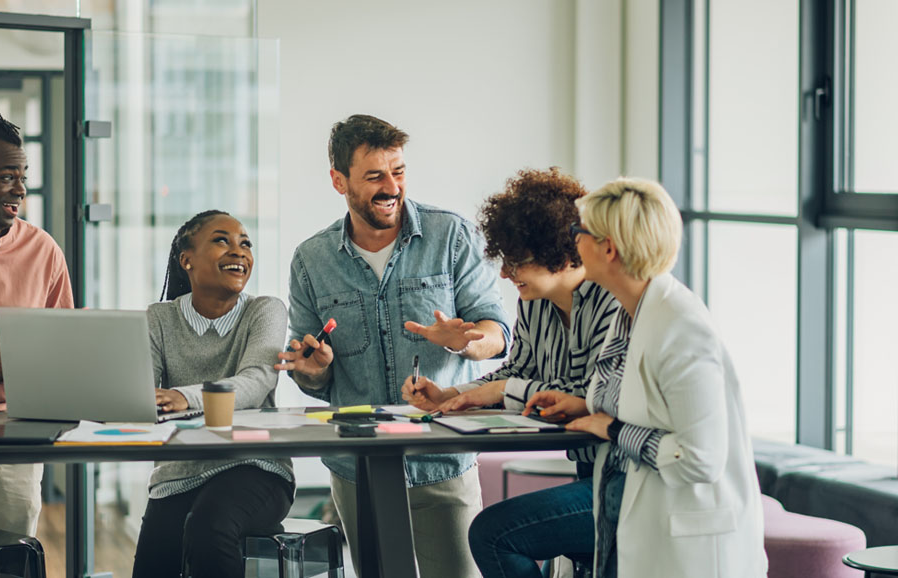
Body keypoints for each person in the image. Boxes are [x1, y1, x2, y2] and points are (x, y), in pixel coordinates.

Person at [275, 114, 509, 578]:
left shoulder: (451, 236)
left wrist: (465, 342)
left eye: (398, 171)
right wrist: (315, 366)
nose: (391, 186)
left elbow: (498, 335)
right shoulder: (312, 259)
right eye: (374, 175)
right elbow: (311, 373)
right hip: (357, 470)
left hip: (443, 460)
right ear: (338, 180)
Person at [528, 178, 767, 578]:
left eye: (578, 232)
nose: (574, 243)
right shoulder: (629, 313)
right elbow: (650, 404)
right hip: (627, 515)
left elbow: (700, 459)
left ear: (609, 248)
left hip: (688, 544)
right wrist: (585, 405)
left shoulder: (682, 328)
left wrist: (614, 429)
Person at [401, 167, 619, 578]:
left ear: (556, 250)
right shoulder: (535, 302)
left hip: (631, 478)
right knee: (495, 532)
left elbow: (590, 394)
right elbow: (517, 371)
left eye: (516, 260)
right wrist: (453, 395)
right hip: (593, 470)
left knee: (493, 533)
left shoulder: (611, 300)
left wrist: (503, 388)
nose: (504, 273)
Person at [131, 210, 294, 578]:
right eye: (222, 240)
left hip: (255, 467)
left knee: (209, 527)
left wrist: (184, 397)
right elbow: (145, 394)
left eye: (245, 243)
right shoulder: (159, 318)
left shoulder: (265, 310)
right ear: (186, 259)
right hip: (179, 472)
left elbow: (256, 381)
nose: (239, 251)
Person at [0, 112, 73, 535]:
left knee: (9, 564)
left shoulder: (43, 250)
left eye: (23, 176)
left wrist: (11, 366)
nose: (21, 190)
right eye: (7, 177)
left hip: (18, 444)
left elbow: (67, 352)